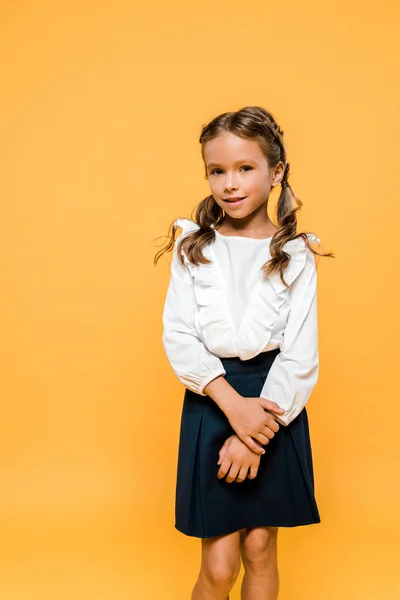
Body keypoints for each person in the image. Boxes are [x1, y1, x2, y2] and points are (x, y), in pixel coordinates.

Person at [154, 105, 334, 600]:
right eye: (217, 171)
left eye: (245, 168)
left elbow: (300, 355)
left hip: (276, 405)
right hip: (214, 402)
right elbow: (180, 336)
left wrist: (254, 436)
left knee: (259, 551)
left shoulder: (295, 254)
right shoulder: (194, 247)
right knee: (219, 564)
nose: (230, 184)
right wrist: (234, 410)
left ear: (276, 172)